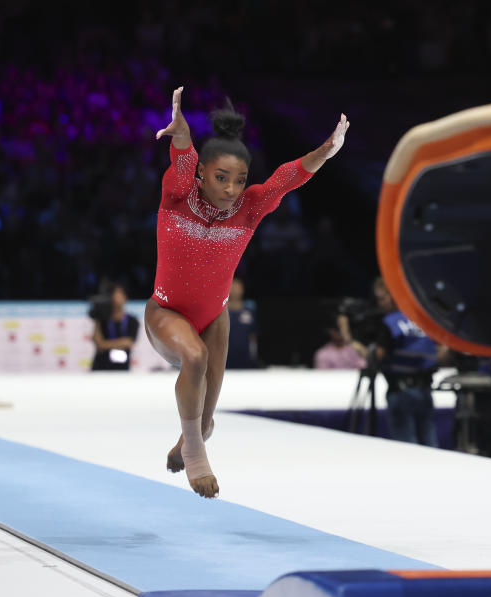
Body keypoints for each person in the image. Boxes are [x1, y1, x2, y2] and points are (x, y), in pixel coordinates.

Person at [144, 86, 349, 498]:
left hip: (214, 317)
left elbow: (287, 178)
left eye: (239, 180)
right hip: (166, 312)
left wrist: (324, 152)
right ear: (203, 173)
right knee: (195, 357)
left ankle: (193, 437)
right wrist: (182, 135)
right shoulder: (178, 195)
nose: (232, 190)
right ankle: (197, 458)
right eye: (221, 178)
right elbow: (181, 158)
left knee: (204, 419)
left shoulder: (250, 208)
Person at [372, 277, 448, 447]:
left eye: (382, 298)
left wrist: (350, 339)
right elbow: (443, 352)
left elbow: (376, 357)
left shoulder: (391, 322)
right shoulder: (424, 320)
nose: (380, 304)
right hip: (424, 391)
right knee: (430, 445)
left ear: (394, 296)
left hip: (401, 392)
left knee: (407, 448)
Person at [90, 283, 139, 371]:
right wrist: (97, 319)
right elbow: (98, 343)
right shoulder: (103, 319)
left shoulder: (132, 321)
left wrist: (105, 344)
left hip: (122, 367)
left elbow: (128, 342)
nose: (115, 297)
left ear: (125, 297)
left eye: (118, 294)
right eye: (113, 294)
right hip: (101, 366)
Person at [225, 277, 258, 369]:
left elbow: (253, 335)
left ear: (242, 289)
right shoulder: (221, 311)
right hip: (226, 358)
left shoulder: (250, 309)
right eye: (233, 286)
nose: (235, 290)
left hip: (245, 357)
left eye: (238, 287)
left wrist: (254, 356)